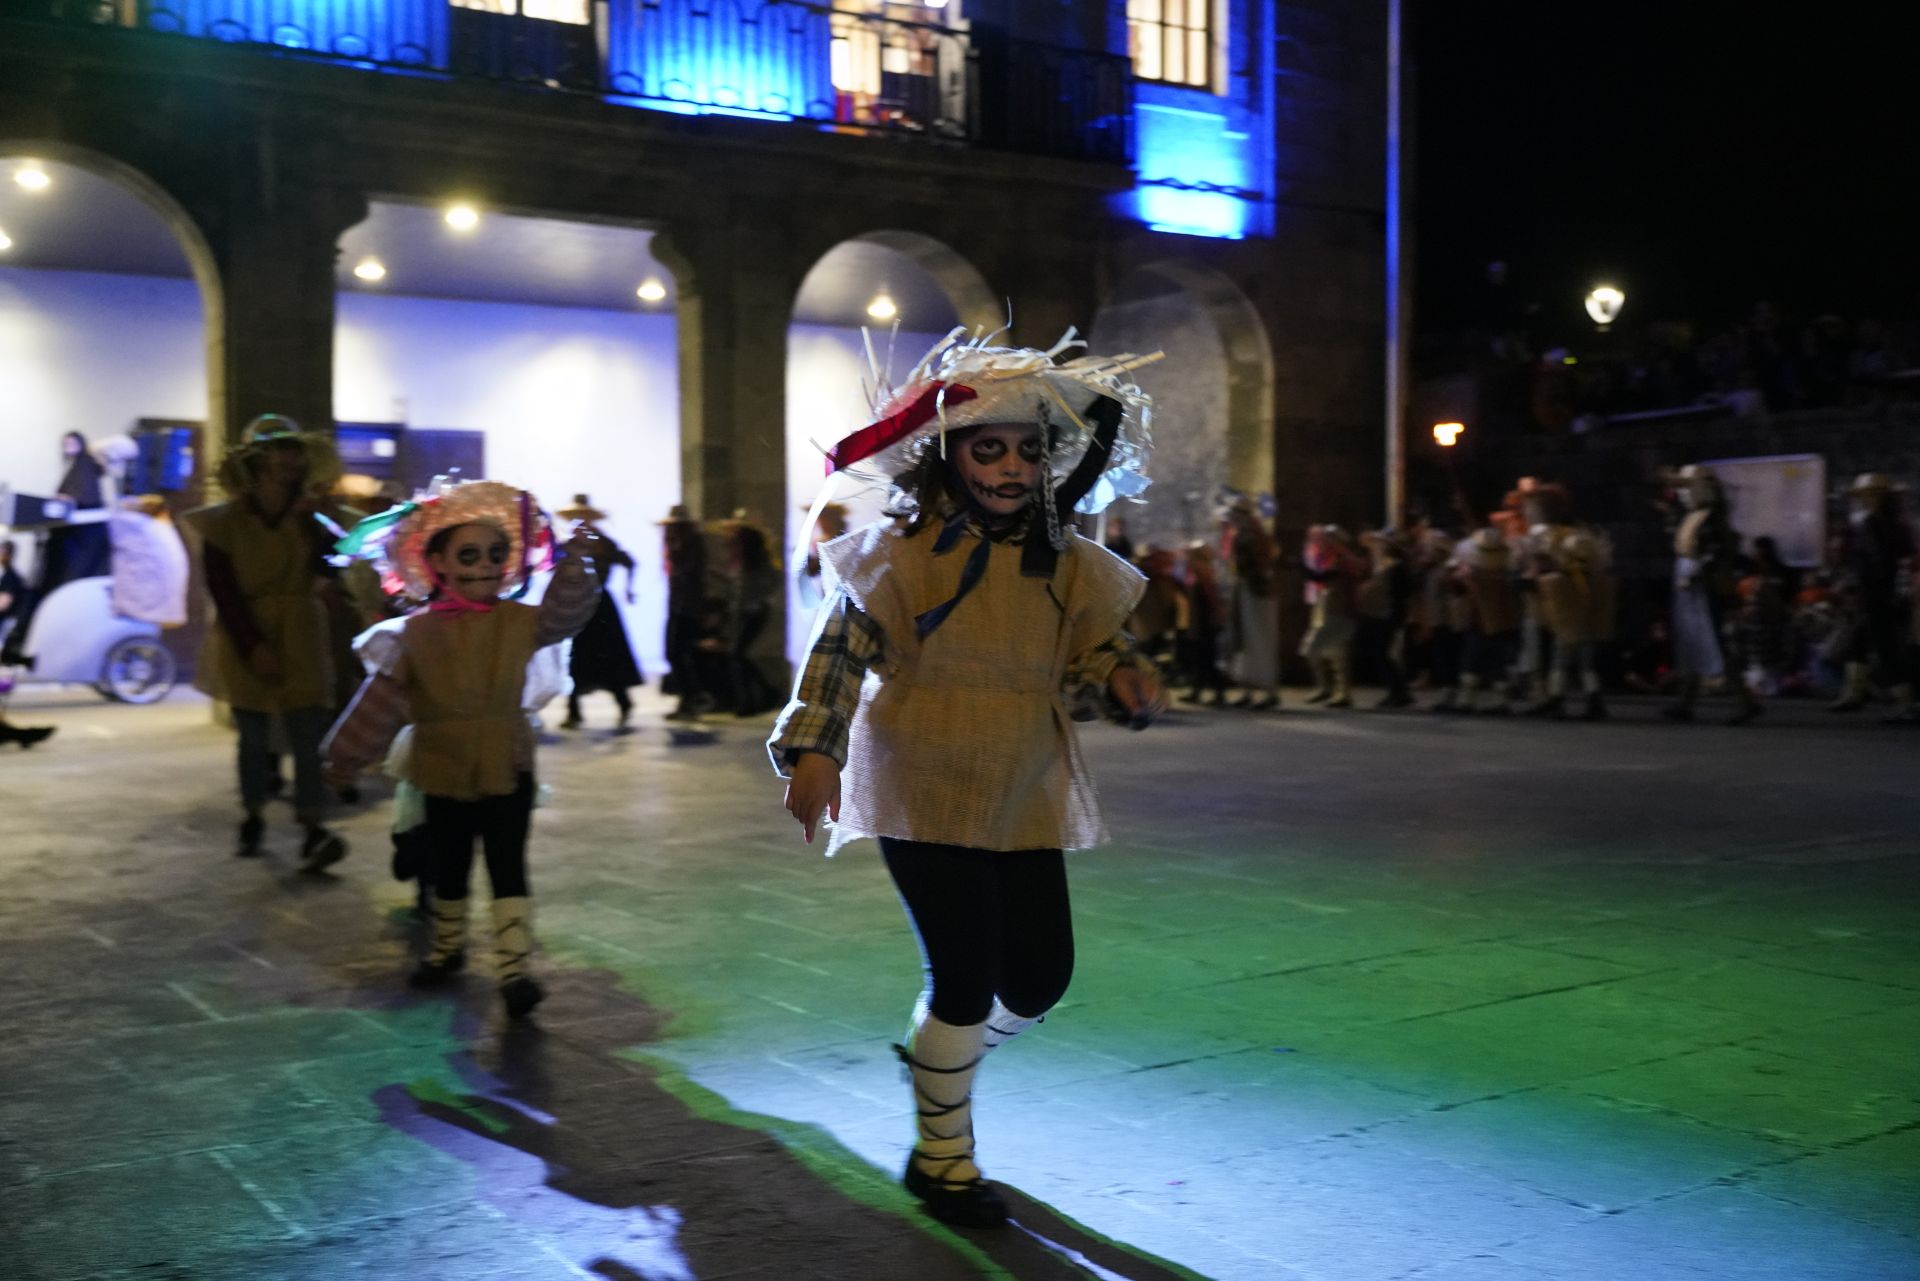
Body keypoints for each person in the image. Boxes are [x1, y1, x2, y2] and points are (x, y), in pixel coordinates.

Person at [768, 326, 1164, 1230]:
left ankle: (939, 1059)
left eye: (1029, 450)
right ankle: (940, 1154)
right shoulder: (898, 556)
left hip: (1024, 780)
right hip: (921, 775)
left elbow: (1094, 641)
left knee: (1040, 977)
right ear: (949, 457)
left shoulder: (1062, 559)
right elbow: (838, 655)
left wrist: (1123, 674)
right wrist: (816, 749)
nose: (1012, 468)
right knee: (963, 973)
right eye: (990, 449)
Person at [323, 478, 603, 1018]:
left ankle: (515, 970)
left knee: (507, 863)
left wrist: (576, 565)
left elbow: (569, 614)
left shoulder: (522, 622)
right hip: (442, 766)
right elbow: (379, 702)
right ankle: (447, 949)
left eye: (497, 554)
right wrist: (343, 759)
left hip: (508, 762)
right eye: (469, 554)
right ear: (438, 564)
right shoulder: (413, 635)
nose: (485, 566)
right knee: (449, 864)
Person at [184, 416, 352, 868]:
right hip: (246, 631)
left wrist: (325, 541)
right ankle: (253, 813)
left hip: (301, 628)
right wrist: (252, 645)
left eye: (296, 450)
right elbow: (223, 590)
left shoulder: (311, 519)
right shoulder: (225, 523)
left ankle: (314, 828)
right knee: (254, 736)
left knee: (307, 733)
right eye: (281, 449)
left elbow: (335, 562)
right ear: (259, 460)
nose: (291, 458)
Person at [1661, 464, 1762, 724]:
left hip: (1705, 585)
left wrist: (1699, 571)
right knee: (1691, 641)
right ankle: (1686, 700)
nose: (1684, 494)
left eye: (1687, 488)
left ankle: (1743, 701)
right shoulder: (1694, 515)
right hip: (1690, 583)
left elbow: (1717, 552)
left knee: (1715, 640)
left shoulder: (1711, 517)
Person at [1828, 474, 1916, 718]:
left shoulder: (1870, 524)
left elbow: (1873, 563)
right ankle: (1855, 692)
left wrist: (1858, 590)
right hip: (1886, 595)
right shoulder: (1899, 524)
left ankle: (1904, 700)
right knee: (1859, 642)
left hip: (1874, 596)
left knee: (1885, 649)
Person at [553, 495, 644, 730]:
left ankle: (620, 702)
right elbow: (554, 566)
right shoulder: (572, 545)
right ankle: (575, 711)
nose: (580, 521)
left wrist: (630, 589)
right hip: (582, 605)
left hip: (599, 605)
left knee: (607, 656)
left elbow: (629, 562)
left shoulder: (602, 544)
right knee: (579, 658)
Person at [717, 515, 780, 716]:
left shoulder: (758, 562)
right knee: (739, 655)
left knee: (737, 654)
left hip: (753, 612)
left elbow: (771, 580)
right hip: (743, 612)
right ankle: (764, 695)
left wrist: (758, 601)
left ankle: (752, 701)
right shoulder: (742, 560)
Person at [1222, 499, 1282, 709]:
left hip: (1256, 590)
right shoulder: (1242, 534)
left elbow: (1264, 562)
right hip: (1246, 588)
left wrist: (1259, 582)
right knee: (1244, 638)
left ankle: (1268, 689)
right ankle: (1248, 688)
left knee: (1258, 637)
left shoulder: (1256, 536)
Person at [0, 540, 56, 748]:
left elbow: (3, 603)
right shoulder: (8, 576)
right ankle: (21, 735)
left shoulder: (10, 578)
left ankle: (19, 735)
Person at [659, 504, 712, 720]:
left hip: (688, 608)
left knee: (680, 652)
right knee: (674, 653)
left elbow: (691, 576)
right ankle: (691, 697)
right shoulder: (676, 547)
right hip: (678, 606)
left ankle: (693, 697)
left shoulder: (692, 546)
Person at [1300, 523, 1362, 707]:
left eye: (1329, 539)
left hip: (1339, 610)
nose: (1324, 542)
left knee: (1319, 649)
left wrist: (1302, 566)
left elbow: (1321, 577)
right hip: (1329, 608)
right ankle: (1334, 690)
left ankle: (1335, 690)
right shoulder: (1332, 558)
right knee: (1335, 653)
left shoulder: (1343, 561)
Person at [1358, 527, 1415, 708]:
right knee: (1383, 653)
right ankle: (1399, 691)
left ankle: (1399, 691)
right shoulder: (1391, 565)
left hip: (1390, 614)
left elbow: (1401, 594)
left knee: (1382, 653)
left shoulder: (1397, 568)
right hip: (1386, 613)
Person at [1177, 540, 1231, 705]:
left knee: (1206, 658)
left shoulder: (1202, 571)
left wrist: (1217, 615)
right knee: (1201, 658)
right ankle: (1199, 691)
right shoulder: (1200, 571)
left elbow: (1211, 598)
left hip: (1204, 622)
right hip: (1201, 621)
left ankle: (1217, 692)